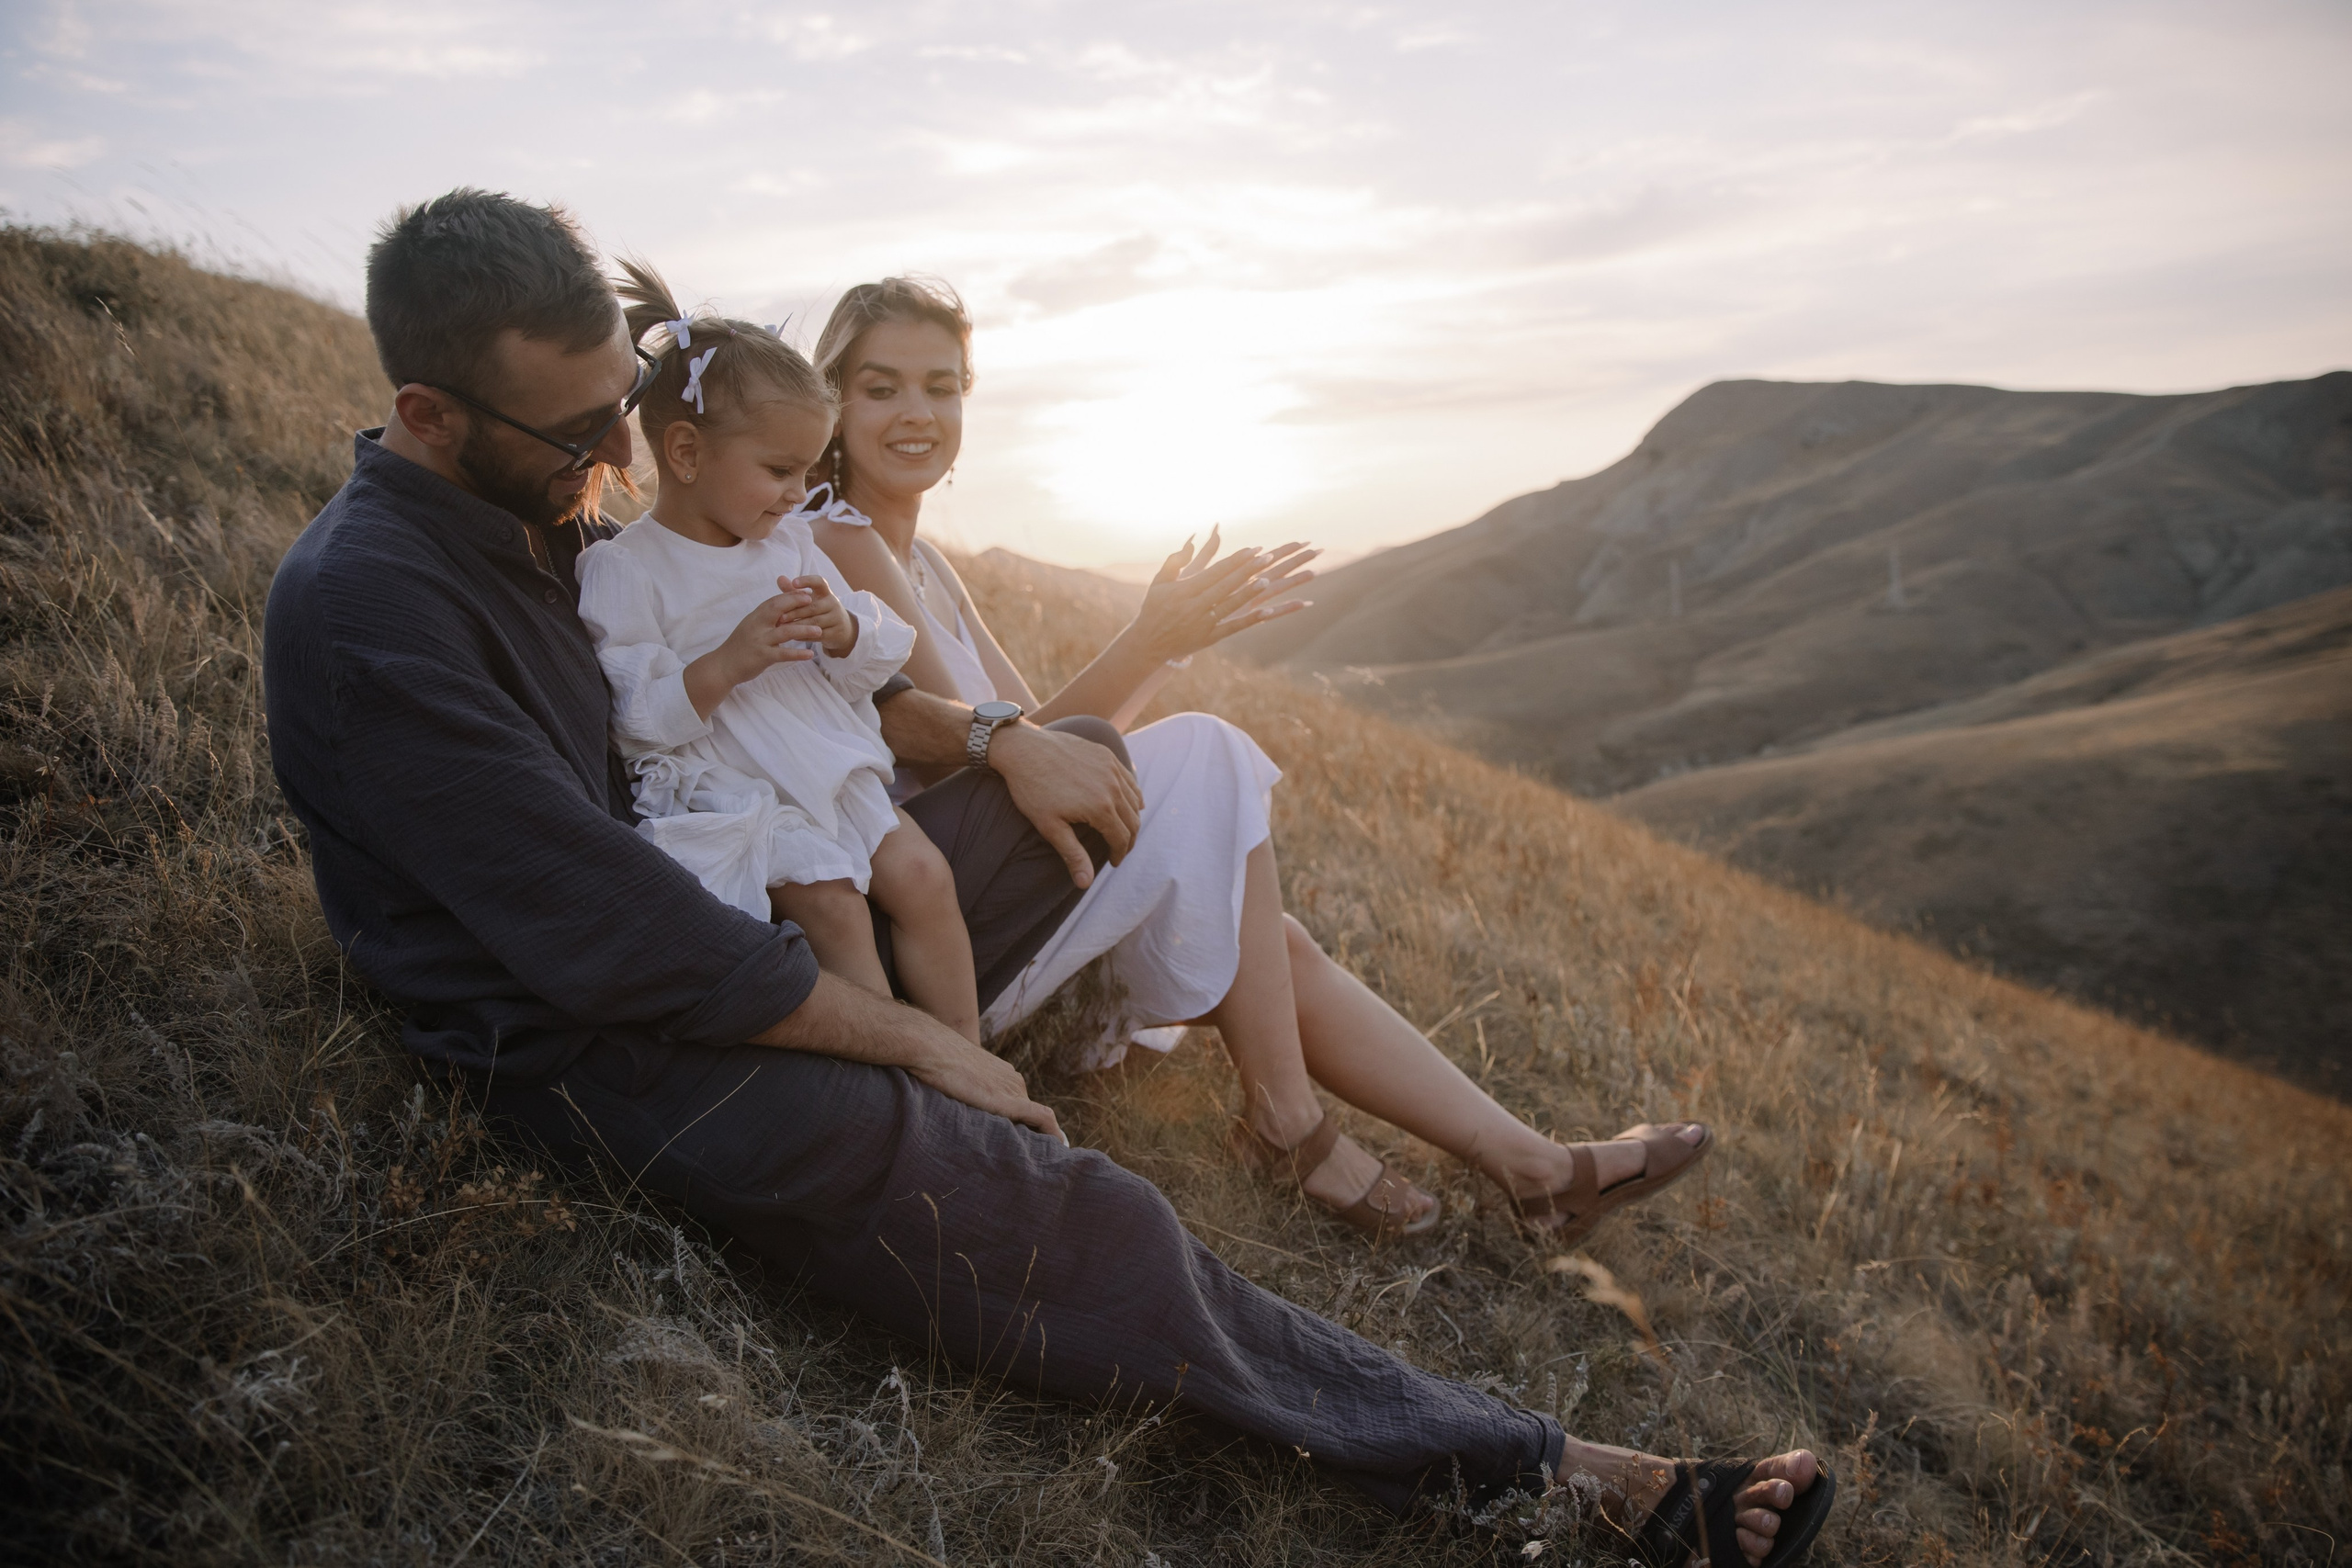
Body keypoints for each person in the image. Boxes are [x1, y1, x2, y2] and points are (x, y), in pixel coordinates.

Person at [261, 189, 1831, 1564]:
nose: (619, 453)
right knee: (1075, 1213)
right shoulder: (374, 613)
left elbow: (811, 711)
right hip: (618, 1036)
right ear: (427, 412)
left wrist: (997, 734)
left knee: (1145, 773)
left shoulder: (532, 507)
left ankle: (1397, 1138)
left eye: (625, 411)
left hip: (753, 880)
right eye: (582, 432)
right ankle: (1569, 1474)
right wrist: (921, 1043)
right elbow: (605, 938)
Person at [810, 277, 1717, 1246]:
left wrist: (1157, 642)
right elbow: (994, 760)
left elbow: (1038, 740)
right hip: (935, 944)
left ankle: (1535, 1171)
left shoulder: (927, 562)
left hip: (996, 881)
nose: (917, 413)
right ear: (831, 398)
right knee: (1206, 749)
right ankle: (1288, 1126)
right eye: (882, 388)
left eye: (941, 388)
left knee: (1269, 944)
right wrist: (1147, 641)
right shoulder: (841, 538)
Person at [574, 264, 978, 1043]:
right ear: (687, 454)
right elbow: (631, 715)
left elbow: (871, 660)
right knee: (835, 909)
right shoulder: (628, 569)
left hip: (825, 762)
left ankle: (973, 1056)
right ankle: (907, 1073)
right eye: (779, 471)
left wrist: (845, 630)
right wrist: (726, 663)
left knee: (925, 877)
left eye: (806, 469)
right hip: (743, 786)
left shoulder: (787, 541)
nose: (799, 493)